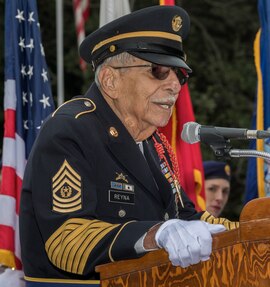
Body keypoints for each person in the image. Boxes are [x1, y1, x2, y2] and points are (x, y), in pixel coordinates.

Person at [19, 6, 236, 286]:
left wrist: (265, 226)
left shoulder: (153, 142)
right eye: (158, 71)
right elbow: (66, 239)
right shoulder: (71, 129)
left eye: (180, 75)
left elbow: (187, 217)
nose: (175, 85)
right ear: (111, 80)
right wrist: (153, 235)